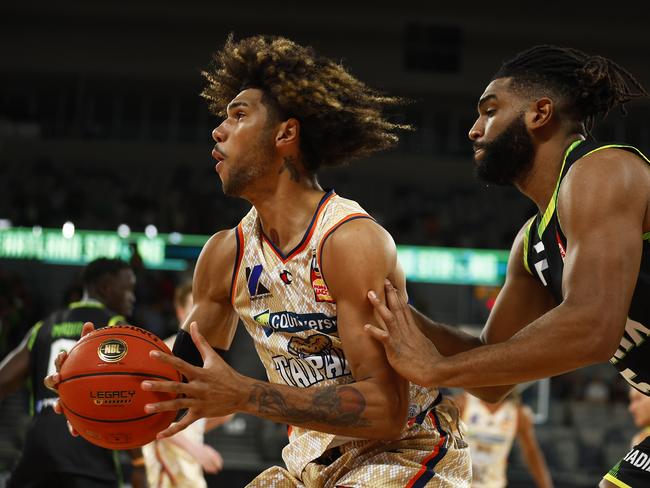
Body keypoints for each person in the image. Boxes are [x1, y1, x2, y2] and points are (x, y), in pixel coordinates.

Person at [48, 34, 473, 486]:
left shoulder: (350, 241)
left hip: (407, 453)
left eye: (238, 115)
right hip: (310, 466)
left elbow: (387, 410)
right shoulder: (225, 254)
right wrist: (100, 383)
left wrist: (245, 394)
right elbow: (183, 383)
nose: (218, 130)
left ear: (285, 133)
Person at [361, 44, 650, 487]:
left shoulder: (603, 170)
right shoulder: (532, 242)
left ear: (540, 113)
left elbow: (594, 327)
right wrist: (392, 311)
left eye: (489, 111)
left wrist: (437, 370)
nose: (475, 130)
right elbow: (492, 380)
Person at [0, 258, 144, 488]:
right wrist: (138, 463)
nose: (133, 297)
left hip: (39, 452)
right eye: (128, 289)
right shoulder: (117, 328)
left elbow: (3, 381)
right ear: (105, 288)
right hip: (89, 451)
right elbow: (124, 400)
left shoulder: (44, 326)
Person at [142, 279, 232, 488]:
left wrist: (195, 429)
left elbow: (227, 414)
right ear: (181, 312)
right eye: (194, 308)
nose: (202, 316)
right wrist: (194, 448)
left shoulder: (211, 356)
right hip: (167, 465)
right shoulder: (164, 353)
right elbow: (150, 417)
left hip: (190, 463)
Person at [456, 391, 553, 488]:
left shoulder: (518, 412)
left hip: (493, 484)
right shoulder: (463, 402)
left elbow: (532, 453)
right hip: (459, 483)